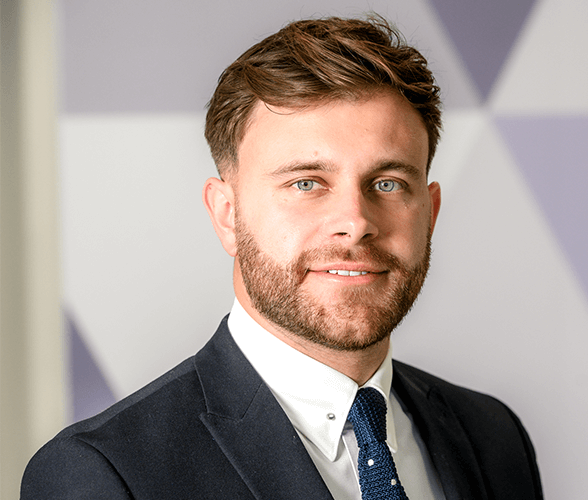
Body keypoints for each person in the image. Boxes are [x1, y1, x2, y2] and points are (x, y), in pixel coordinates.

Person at [21, 16, 542, 500]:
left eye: (387, 182)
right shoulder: (105, 474)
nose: (355, 220)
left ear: (429, 213)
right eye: (306, 182)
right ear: (227, 215)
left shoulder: (493, 438)